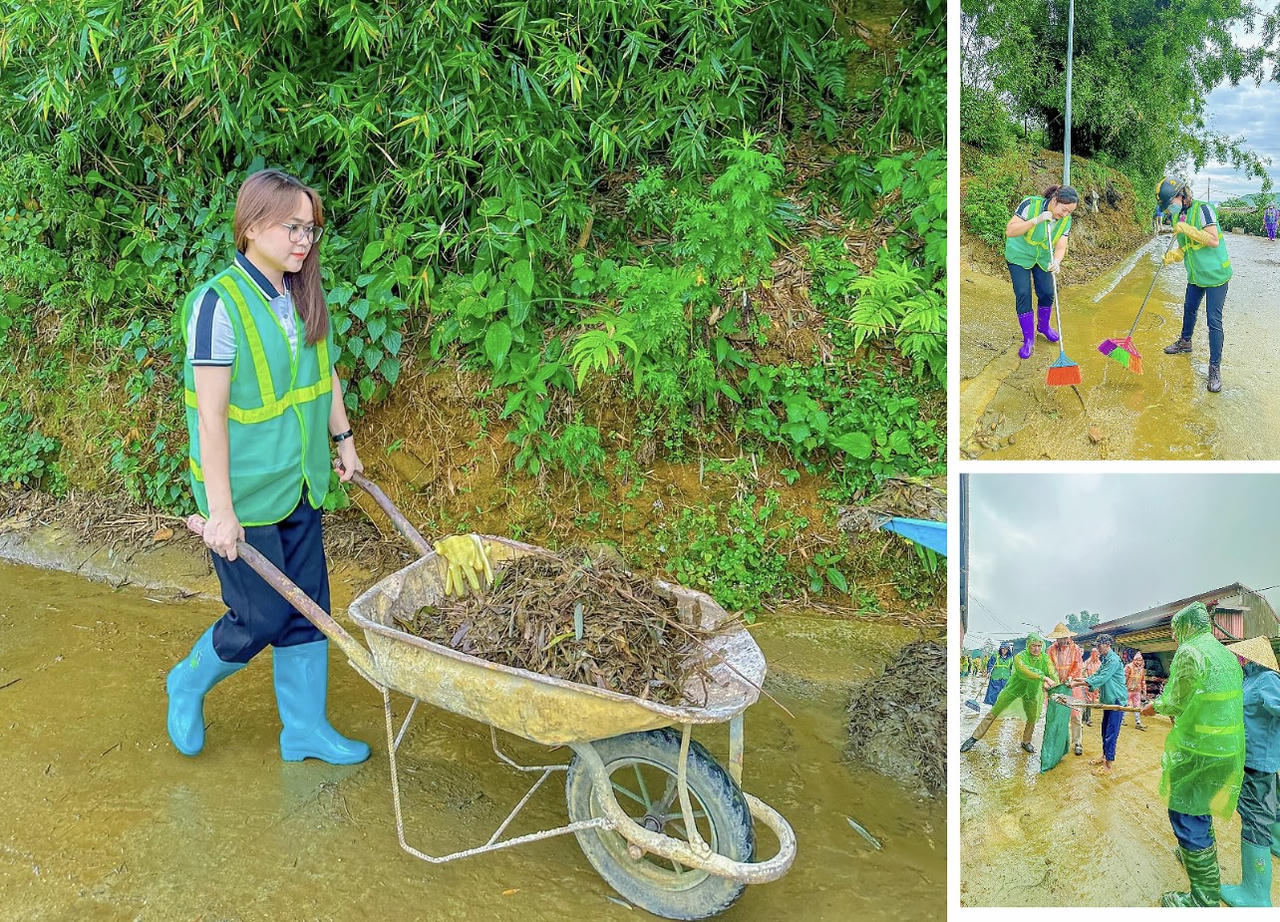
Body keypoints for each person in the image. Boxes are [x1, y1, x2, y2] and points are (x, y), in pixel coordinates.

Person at [165, 169, 499, 764]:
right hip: (242, 493)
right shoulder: (218, 305)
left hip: (300, 481)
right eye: (292, 227)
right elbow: (210, 419)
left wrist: (343, 440)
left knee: (308, 608)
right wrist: (220, 511)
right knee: (260, 616)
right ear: (251, 226)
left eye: (310, 230)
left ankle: (304, 730)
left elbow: (324, 375)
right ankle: (187, 682)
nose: (304, 240)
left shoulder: (300, 295)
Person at [1138, 602, 1245, 907]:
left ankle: (1202, 899)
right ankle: (1193, 855)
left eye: (1175, 631)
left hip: (1201, 749)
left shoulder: (1190, 652)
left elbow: (1177, 699)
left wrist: (1155, 706)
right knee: (1200, 805)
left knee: (1185, 812)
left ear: (1186, 627)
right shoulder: (1225, 653)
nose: (1174, 637)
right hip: (1229, 749)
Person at [1218, 636, 1280, 907]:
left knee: (1255, 820)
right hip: (1254, 760)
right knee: (1271, 809)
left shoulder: (1267, 680)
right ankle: (1275, 844)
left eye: (1241, 656)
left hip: (1258, 763)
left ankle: (1255, 896)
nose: (1238, 660)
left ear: (1252, 658)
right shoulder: (1250, 679)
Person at [1160, 181, 1232, 393]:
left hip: (1216, 275)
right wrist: (1175, 255)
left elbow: (1213, 240)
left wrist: (1190, 230)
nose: (1169, 207)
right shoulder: (1178, 216)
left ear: (1181, 195)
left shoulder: (1203, 209)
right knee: (1189, 308)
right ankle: (1185, 342)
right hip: (1196, 275)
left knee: (1213, 320)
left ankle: (1214, 368)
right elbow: (1186, 246)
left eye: (1169, 202)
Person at [1003, 185, 1080, 360]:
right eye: (1064, 210)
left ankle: (1043, 327)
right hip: (1019, 255)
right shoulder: (1030, 204)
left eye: (1070, 212)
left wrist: (1057, 261)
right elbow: (1010, 231)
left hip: (1043, 258)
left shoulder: (1066, 220)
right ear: (1054, 201)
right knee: (1023, 293)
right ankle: (1028, 339)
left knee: (1047, 292)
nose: (1066, 215)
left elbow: (1061, 246)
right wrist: (1036, 220)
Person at [960, 633, 1058, 755]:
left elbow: (1052, 672)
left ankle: (1026, 741)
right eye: (1033, 645)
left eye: (1039, 646)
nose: (1036, 649)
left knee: (1032, 717)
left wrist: (1056, 683)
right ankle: (974, 738)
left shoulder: (1045, 658)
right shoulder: (1020, 657)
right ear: (1028, 645)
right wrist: (1044, 677)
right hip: (1013, 689)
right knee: (994, 711)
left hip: (1031, 691)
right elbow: (1024, 671)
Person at [1071, 634, 1126, 776]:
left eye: (1099, 645)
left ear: (1107, 644)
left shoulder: (1113, 660)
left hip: (1117, 700)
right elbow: (1096, 675)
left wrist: (1078, 683)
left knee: (1111, 733)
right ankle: (1104, 756)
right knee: (1104, 730)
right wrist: (1079, 680)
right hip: (1108, 700)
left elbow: (1102, 678)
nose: (1097, 648)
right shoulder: (1106, 659)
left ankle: (1108, 765)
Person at [1045, 623, 1085, 756]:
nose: (1061, 640)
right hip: (1057, 686)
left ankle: (1078, 742)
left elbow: (1078, 666)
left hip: (1072, 686)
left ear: (1068, 636)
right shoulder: (1051, 650)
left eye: (1063, 637)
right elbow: (1048, 666)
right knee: (1057, 716)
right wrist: (1055, 680)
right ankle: (1059, 743)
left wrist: (1070, 678)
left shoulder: (1075, 649)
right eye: (1059, 638)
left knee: (1075, 715)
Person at [984, 642, 1015, 707]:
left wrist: (1013, 676)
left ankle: (1003, 707)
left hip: (1006, 678)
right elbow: (990, 664)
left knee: (1005, 694)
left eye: (1006, 649)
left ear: (1008, 650)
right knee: (993, 693)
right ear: (1000, 649)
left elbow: (1012, 668)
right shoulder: (995, 656)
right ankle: (993, 706)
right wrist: (989, 672)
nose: (1004, 650)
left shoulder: (1011, 658)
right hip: (995, 677)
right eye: (1003, 648)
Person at [1126, 651, 1147, 730]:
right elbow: (1124, 678)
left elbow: (1143, 680)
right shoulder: (1129, 667)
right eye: (1137, 660)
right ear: (1134, 660)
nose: (1138, 662)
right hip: (1127, 690)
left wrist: (1144, 690)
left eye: (1140, 660)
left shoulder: (1142, 669)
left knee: (1137, 707)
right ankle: (1121, 719)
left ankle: (1138, 723)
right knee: (1125, 705)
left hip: (1137, 690)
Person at [1081, 646, 1101, 726]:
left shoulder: (1099, 663)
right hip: (1086, 685)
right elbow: (1082, 671)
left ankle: (1084, 716)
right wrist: (1087, 679)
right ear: (1092, 654)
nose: (1098, 656)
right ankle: (1088, 718)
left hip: (1094, 686)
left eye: (1098, 654)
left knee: (1090, 701)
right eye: (1096, 654)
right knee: (1087, 701)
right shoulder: (1087, 662)